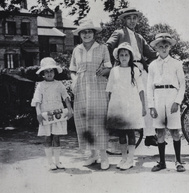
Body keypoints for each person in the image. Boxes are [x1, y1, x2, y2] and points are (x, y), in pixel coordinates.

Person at [106, 7, 157, 138]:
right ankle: (126, 132)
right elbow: (107, 47)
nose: (132, 21)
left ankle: (150, 135)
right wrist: (110, 65)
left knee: (147, 98)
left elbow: (151, 53)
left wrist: (165, 56)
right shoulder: (119, 33)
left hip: (140, 70)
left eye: (135, 18)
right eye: (129, 18)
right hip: (125, 71)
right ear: (124, 20)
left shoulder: (139, 37)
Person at [69, 19, 112, 170]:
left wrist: (102, 71)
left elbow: (108, 67)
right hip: (81, 87)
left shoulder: (102, 48)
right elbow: (73, 69)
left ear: (94, 33)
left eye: (89, 31)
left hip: (98, 86)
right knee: (85, 120)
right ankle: (93, 155)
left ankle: (104, 156)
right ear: (80, 34)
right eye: (84, 32)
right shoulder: (77, 50)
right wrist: (74, 81)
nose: (87, 34)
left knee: (99, 119)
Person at [147, 33, 186, 172]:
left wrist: (177, 101)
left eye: (166, 46)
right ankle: (162, 162)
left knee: (175, 131)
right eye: (160, 46)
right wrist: (151, 106)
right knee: (160, 132)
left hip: (171, 96)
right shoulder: (152, 65)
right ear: (156, 48)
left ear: (170, 47)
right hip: (158, 97)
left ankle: (178, 162)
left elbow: (182, 85)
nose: (163, 49)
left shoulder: (176, 63)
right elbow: (149, 86)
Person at [106, 42, 146, 170]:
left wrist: (143, 106)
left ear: (130, 57)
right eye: (121, 55)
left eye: (126, 55)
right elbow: (109, 90)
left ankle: (130, 159)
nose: (124, 57)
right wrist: (109, 108)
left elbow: (141, 89)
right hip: (118, 106)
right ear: (118, 57)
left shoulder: (135, 70)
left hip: (132, 105)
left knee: (131, 133)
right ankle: (123, 158)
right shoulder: (114, 71)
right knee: (121, 134)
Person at [31, 57, 73, 170]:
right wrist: (38, 114)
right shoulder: (40, 86)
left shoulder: (59, 84)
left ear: (54, 72)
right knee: (47, 137)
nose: (49, 74)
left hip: (57, 114)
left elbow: (66, 97)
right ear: (43, 73)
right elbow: (37, 101)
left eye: (51, 71)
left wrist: (69, 109)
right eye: (46, 71)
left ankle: (58, 161)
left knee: (56, 137)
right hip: (46, 116)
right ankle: (50, 162)